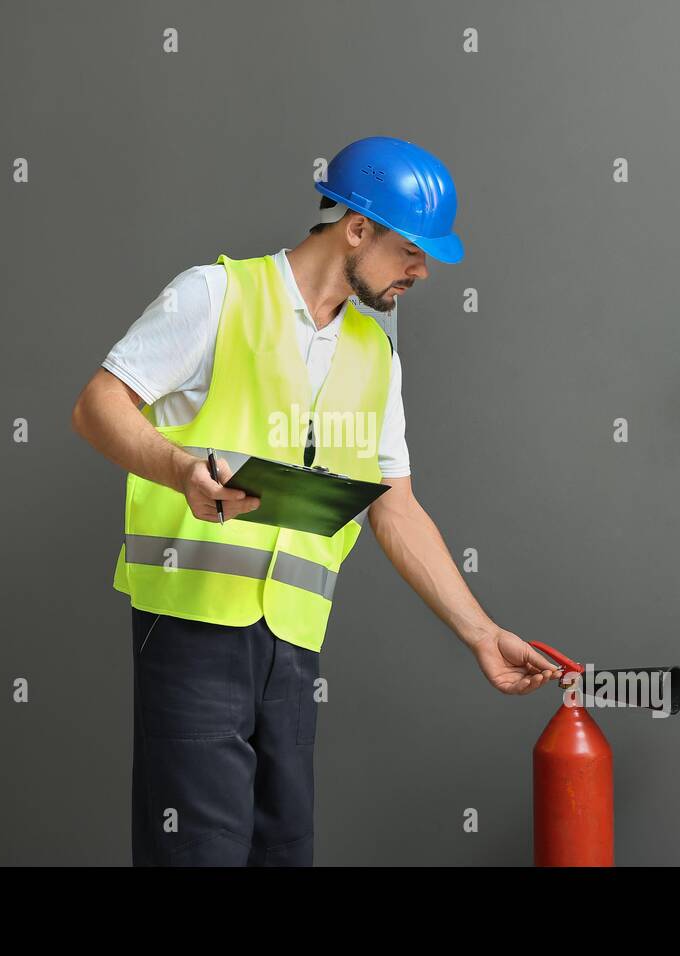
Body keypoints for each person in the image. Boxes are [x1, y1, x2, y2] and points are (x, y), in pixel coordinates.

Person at [71, 135, 573, 866]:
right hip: (192, 631)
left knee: (283, 854)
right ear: (358, 228)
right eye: (411, 250)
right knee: (197, 855)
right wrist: (181, 468)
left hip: (294, 648)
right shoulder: (215, 296)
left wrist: (480, 632)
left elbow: (395, 507)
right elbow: (96, 407)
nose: (421, 271)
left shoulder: (376, 350)